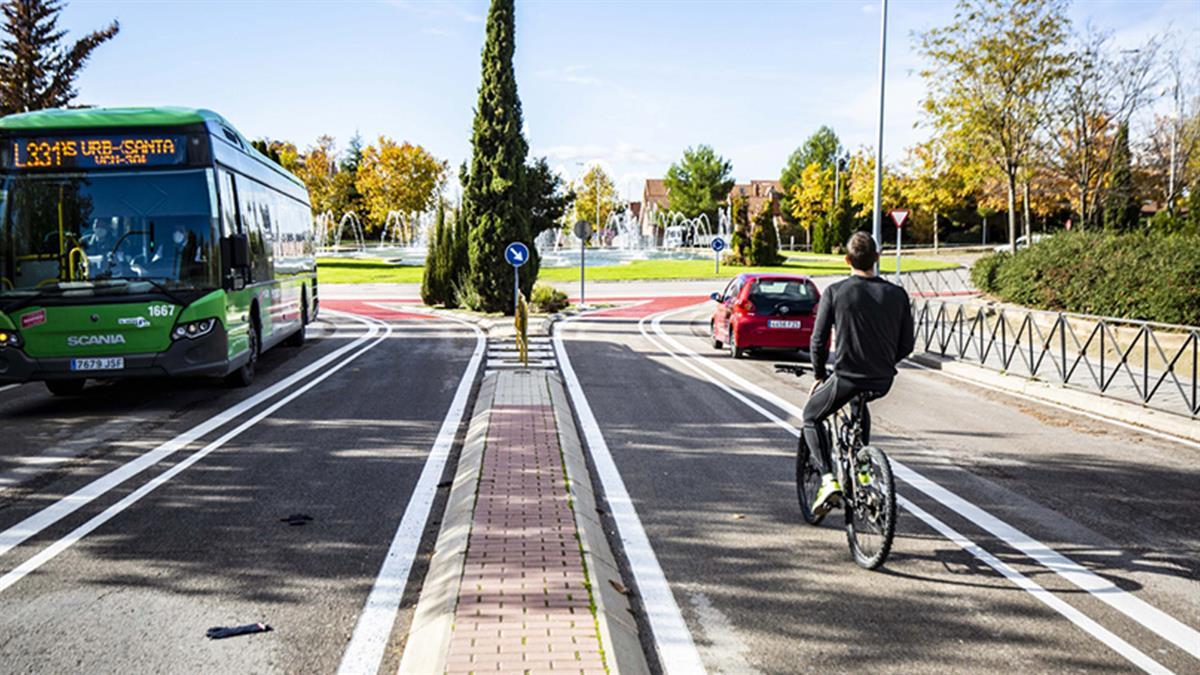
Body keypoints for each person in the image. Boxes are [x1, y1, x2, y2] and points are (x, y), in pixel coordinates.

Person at [804, 231, 914, 516]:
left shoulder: (836, 292)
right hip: (882, 380)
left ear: (846, 260)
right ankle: (863, 472)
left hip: (846, 377)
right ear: (877, 258)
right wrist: (883, 361)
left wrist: (818, 376)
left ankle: (828, 481)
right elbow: (907, 344)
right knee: (859, 406)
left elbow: (818, 341)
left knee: (811, 416)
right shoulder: (897, 294)